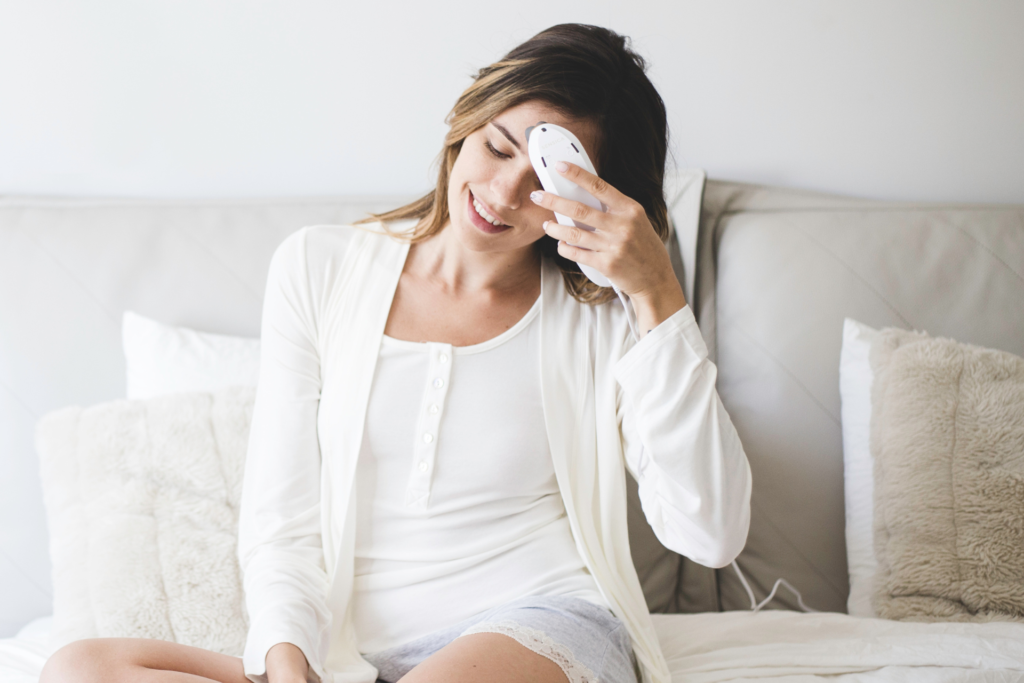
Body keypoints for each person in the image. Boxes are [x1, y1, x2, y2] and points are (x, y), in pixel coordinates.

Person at [40, 23, 750, 683]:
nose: (503, 193)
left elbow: (710, 532)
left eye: (545, 180)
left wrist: (658, 294)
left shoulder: (605, 315)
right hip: (354, 655)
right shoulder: (318, 268)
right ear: (463, 124)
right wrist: (289, 663)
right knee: (77, 667)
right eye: (498, 148)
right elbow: (281, 522)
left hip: (540, 625)